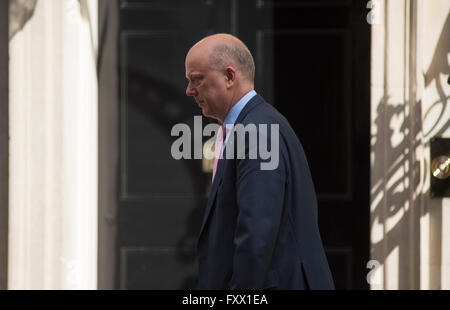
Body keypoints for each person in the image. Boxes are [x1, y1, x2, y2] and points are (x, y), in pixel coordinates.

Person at [185, 33, 335, 290]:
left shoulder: (258, 131)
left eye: (196, 79)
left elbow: (256, 236)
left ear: (229, 77)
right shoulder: (252, 126)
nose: (189, 90)